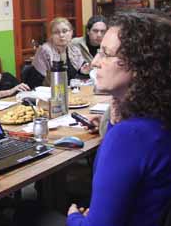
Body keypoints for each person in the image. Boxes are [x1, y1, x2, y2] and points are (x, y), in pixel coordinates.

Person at [67, 12, 171, 226]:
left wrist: (74, 217)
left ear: (139, 64)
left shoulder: (130, 136)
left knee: (28, 212)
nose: (95, 62)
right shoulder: (156, 116)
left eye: (106, 54)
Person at [27, 17, 90, 88]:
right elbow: (36, 82)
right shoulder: (45, 50)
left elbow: (80, 75)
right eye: (56, 32)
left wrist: (84, 71)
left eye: (65, 31)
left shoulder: (74, 49)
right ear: (51, 35)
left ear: (71, 32)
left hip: (70, 92)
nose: (61, 35)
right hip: (47, 93)